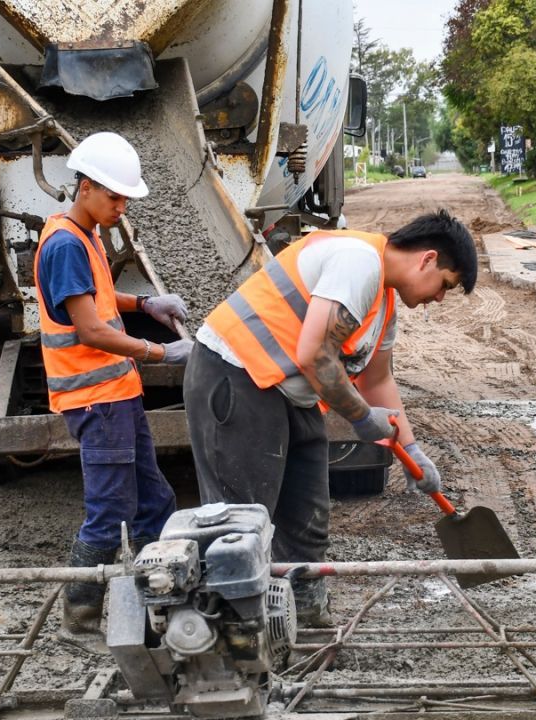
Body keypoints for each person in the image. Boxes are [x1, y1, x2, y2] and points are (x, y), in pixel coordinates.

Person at [184, 210, 478, 629]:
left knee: (307, 519)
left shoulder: (384, 302)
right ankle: (231, 641)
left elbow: (378, 378)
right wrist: (360, 417)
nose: (439, 298)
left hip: (290, 393)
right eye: (445, 286)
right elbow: (314, 355)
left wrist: (411, 447)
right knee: (241, 524)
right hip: (237, 373)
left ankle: (304, 622)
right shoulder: (358, 262)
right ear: (427, 259)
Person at [33, 131, 194, 653]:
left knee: (154, 500)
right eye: (114, 197)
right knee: (110, 512)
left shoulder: (84, 236)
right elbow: (91, 332)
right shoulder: (64, 245)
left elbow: (98, 299)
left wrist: (143, 305)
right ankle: (78, 621)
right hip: (95, 401)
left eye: (125, 199)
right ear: (84, 187)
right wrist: (160, 353)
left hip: (115, 396)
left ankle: (158, 603)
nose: (121, 208)